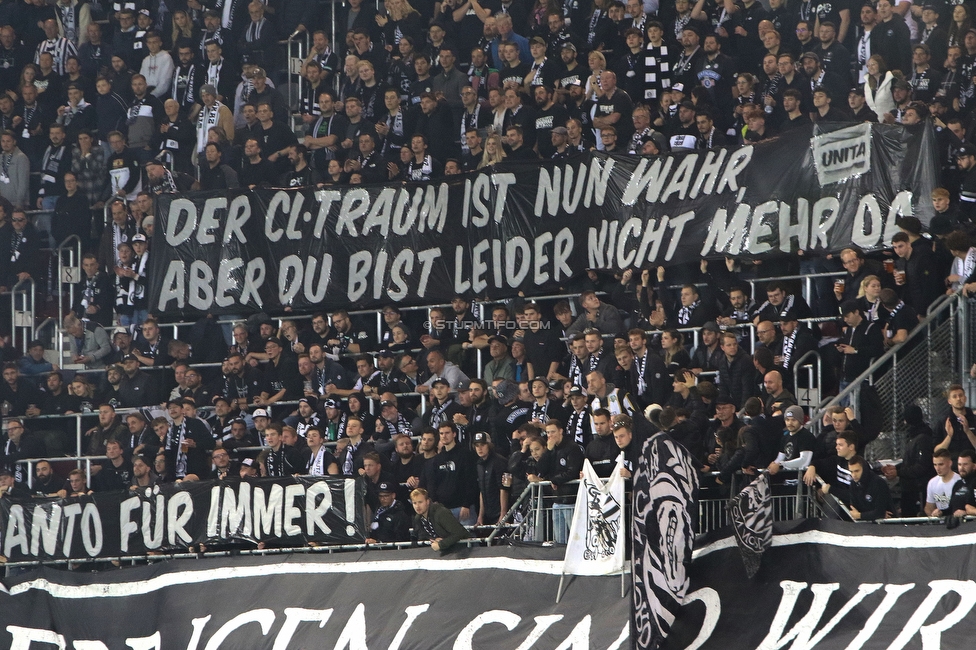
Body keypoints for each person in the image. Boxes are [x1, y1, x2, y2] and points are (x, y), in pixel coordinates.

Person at [411, 487, 470, 553]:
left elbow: (459, 533)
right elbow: (425, 536)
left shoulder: (441, 513)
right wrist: (434, 539)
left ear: (427, 502)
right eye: (414, 503)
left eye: (420, 502)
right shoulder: (418, 518)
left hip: (464, 549)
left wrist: (441, 544)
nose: (417, 506)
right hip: (446, 551)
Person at [768, 405, 815, 475]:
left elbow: (804, 461)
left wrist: (781, 465)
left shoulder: (806, 436)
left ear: (800, 421)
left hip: (801, 479)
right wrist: (774, 464)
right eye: (787, 420)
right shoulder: (785, 437)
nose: (790, 423)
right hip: (787, 478)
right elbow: (781, 457)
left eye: (793, 420)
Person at [847, 455, 893, 521]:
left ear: (864, 469)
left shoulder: (878, 483)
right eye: (851, 471)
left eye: (857, 471)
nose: (854, 475)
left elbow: (879, 512)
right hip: (865, 525)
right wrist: (873, 515)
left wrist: (860, 515)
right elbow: (854, 509)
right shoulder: (853, 484)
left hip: (887, 525)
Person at [925, 449, 961, 516]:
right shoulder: (932, 483)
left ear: (950, 463)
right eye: (935, 465)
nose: (937, 468)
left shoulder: (959, 482)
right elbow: (929, 507)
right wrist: (933, 514)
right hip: (939, 524)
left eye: (941, 464)